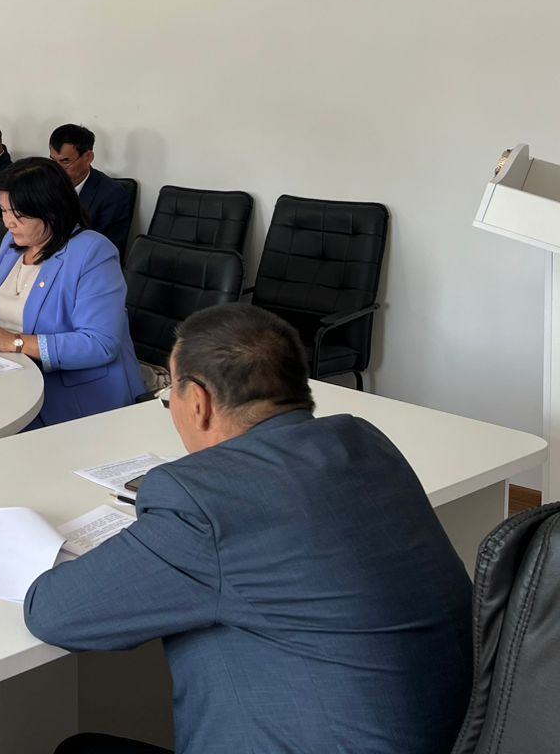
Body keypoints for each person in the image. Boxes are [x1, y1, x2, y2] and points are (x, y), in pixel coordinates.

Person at [25, 304, 474, 754]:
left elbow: (54, 614)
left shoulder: (203, 501)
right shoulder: (363, 441)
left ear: (198, 403)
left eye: (170, 395)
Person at [0, 158, 142, 426]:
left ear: (51, 210)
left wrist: (16, 342)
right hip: (10, 377)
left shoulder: (92, 252)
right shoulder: (12, 243)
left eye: (19, 215)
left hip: (71, 393)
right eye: (4, 211)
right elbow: (9, 309)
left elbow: (100, 344)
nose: (8, 222)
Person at [49, 123, 133, 252]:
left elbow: (105, 248)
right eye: (53, 161)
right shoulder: (45, 184)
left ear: (88, 157)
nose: (57, 170)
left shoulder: (112, 195)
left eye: (65, 161)